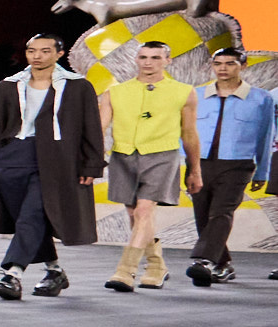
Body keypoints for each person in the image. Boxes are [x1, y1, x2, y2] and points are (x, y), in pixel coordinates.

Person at [0, 32, 104, 298]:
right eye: (32, 51)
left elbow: (91, 128)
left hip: (57, 158)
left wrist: (91, 165)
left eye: (45, 51)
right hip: (13, 157)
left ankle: (12, 274)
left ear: (59, 54)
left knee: (32, 214)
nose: (37, 56)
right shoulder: (7, 86)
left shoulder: (78, 87)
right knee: (29, 218)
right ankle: (54, 270)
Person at [98, 40, 202, 293]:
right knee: (135, 215)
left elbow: (189, 134)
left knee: (144, 211)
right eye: (143, 57)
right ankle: (156, 266)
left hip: (162, 156)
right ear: (136, 59)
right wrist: (93, 159)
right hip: (123, 156)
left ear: (168, 61)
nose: (148, 62)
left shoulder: (184, 91)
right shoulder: (115, 92)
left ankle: (125, 271)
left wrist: (195, 169)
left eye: (156, 57)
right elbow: (98, 129)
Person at [186, 47, 273, 285]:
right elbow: (185, 132)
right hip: (200, 163)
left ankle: (204, 260)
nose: (223, 68)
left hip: (238, 164)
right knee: (202, 215)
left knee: (221, 212)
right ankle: (223, 265)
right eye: (218, 63)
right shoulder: (196, 94)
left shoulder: (261, 98)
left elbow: (266, 137)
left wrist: (262, 172)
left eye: (230, 63)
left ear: (243, 66)